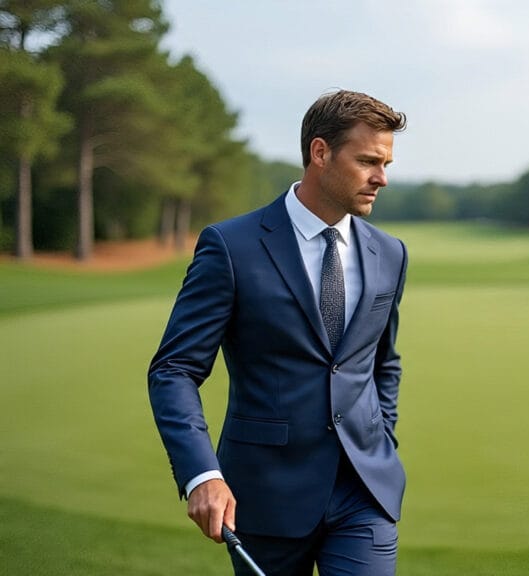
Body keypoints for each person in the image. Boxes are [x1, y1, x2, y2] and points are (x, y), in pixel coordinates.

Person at [148, 89, 409, 576]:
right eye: (369, 161)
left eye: (386, 162)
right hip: (264, 496)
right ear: (320, 152)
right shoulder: (231, 246)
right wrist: (201, 474)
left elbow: (383, 361)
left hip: (364, 492)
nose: (382, 178)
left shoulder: (390, 253)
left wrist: (381, 437)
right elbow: (174, 369)